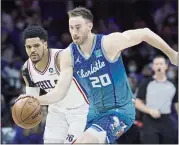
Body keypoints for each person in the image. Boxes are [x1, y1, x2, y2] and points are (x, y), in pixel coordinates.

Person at [19, 7, 178, 143]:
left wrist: (171, 54)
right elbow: (60, 91)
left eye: (78, 27)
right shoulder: (69, 55)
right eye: (71, 28)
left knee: (86, 141)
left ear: (89, 26)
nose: (74, 32)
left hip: (119, 111)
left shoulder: (108, 43)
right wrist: (34, 99)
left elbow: (144, 33)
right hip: (91, 113)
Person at [20, 26, 89, 143]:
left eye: (36, 46)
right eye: (28, 47)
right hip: (56, 111)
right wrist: (25, 110)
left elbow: (59, 94)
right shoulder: (27, 69)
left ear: (45, 44)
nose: (32, 50)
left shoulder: (61, 57)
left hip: (80, 110)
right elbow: (32, 104)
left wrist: (33, 100)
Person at [135, 55, 178, 144]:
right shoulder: (146, 82)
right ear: (153, 67)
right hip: (150, 120)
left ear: (166, 66)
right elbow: (137, 102)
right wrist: (149, 110)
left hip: (167, 120)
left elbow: (177, 103)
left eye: (161, 64)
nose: (159, 66)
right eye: (156, 64)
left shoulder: (173, 84)